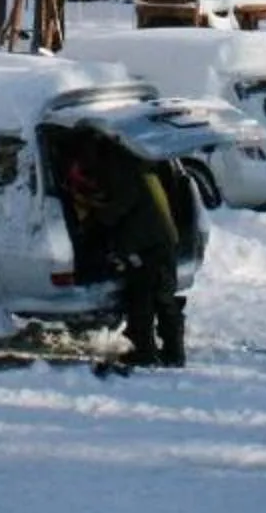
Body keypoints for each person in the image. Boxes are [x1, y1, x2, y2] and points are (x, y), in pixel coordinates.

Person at [70, 142, 183, 368]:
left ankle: (145, 352)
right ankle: (173, 352)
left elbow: (123, 202)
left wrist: (96, 222)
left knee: (141, 298)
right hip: (163, 237)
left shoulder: (119, 166)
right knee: (164, 297)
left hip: (146, 243)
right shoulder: (142, 161)